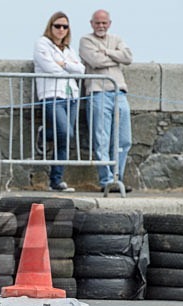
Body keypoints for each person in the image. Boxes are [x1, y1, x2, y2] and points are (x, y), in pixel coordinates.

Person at [79, 9, 134, 193]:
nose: (100, 26)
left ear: (109, 23)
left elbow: (128, 57)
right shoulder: (86, 40)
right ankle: (106, 180)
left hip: (119, 93)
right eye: (97, 23)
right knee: (101, 139)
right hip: (98, 93)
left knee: (124, 139)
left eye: (104, 23)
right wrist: (115, 57)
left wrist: (107, 52)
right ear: (91, 23)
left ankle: (118, 178)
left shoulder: (116, 39)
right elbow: (95, 61)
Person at [33, 11, 85, 193]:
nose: (61, 29)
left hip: (71, 97)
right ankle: (45, 133)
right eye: (58, 26)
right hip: (52, 96)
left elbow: (81, 70)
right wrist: (67, 67)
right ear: (51, 26)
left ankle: (56, 180)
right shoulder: (42, 44)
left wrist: (64, 64)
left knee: (63, 140)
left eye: (65, 26)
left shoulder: (68, 49)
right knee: (65, 133)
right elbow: (51, 69)